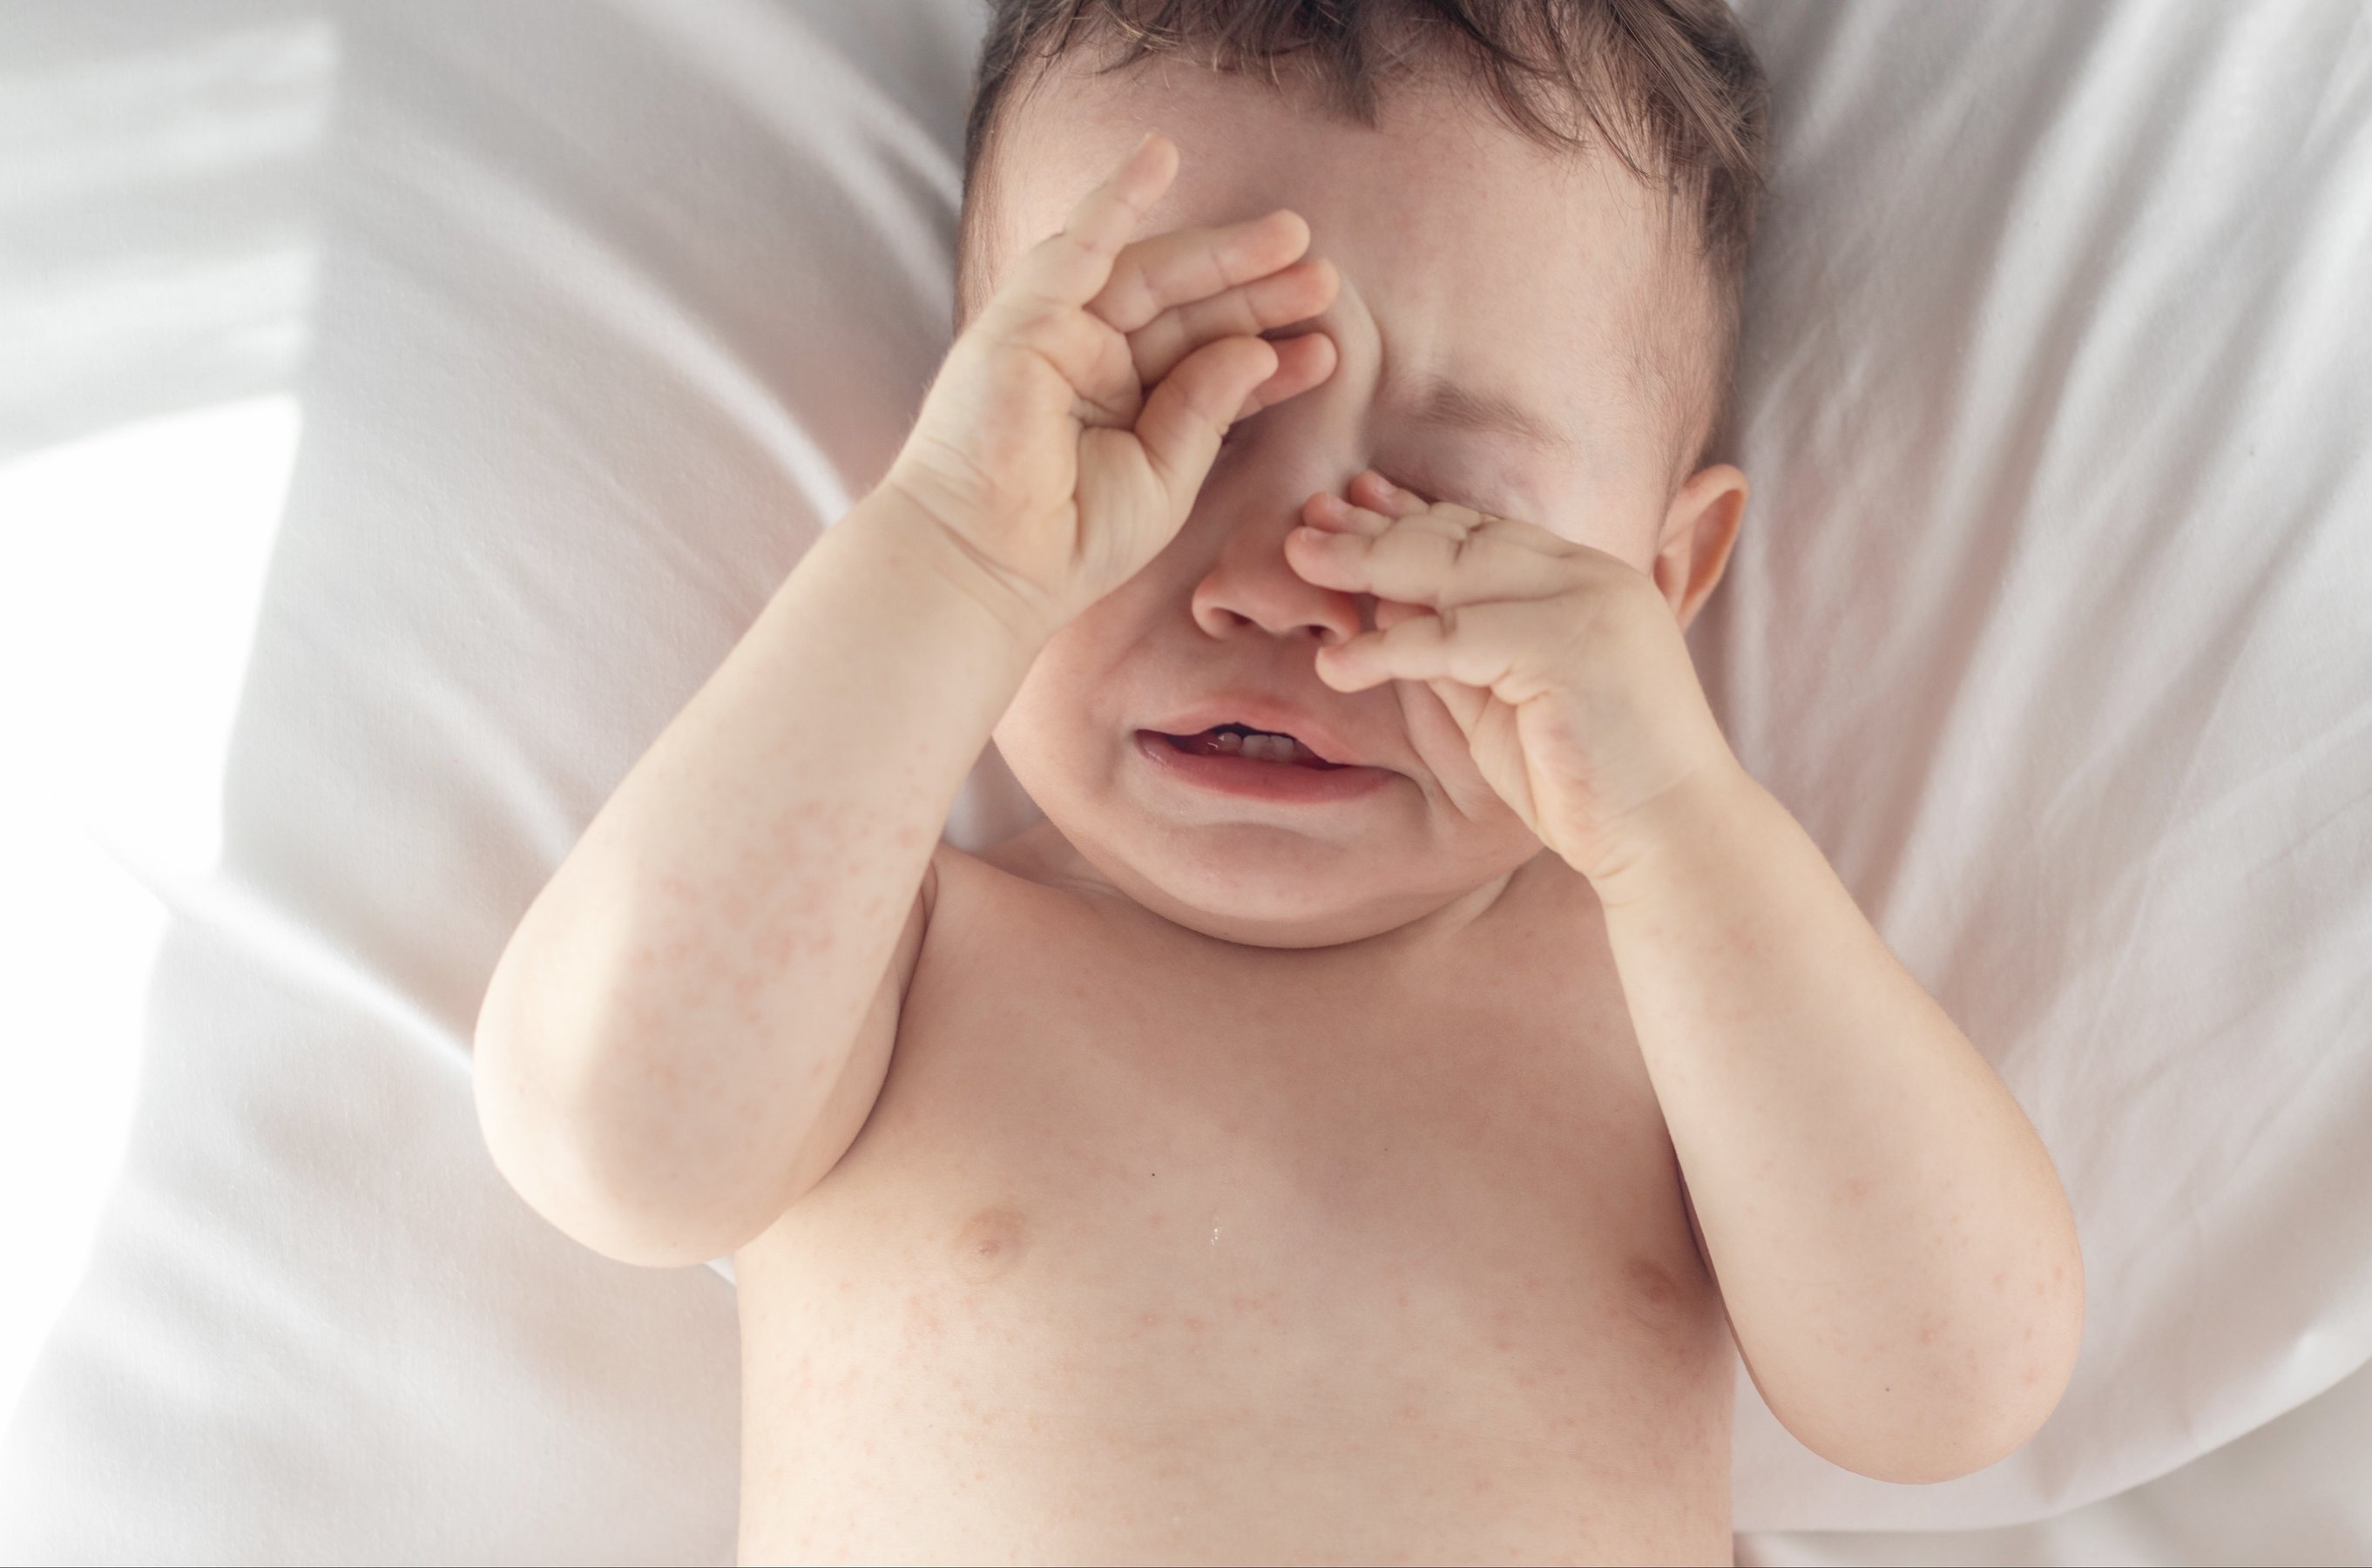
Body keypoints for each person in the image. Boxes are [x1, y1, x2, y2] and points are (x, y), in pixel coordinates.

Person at [473, 3, 2085, 1560]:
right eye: (1158, 434)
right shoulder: (892, 955)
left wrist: (1681, 819)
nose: (1273, 587)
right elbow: (608, 1144)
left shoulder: (1677, 998)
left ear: (1662, 586)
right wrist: (948, 557)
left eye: (1440, 503)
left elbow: (1949, 1389)